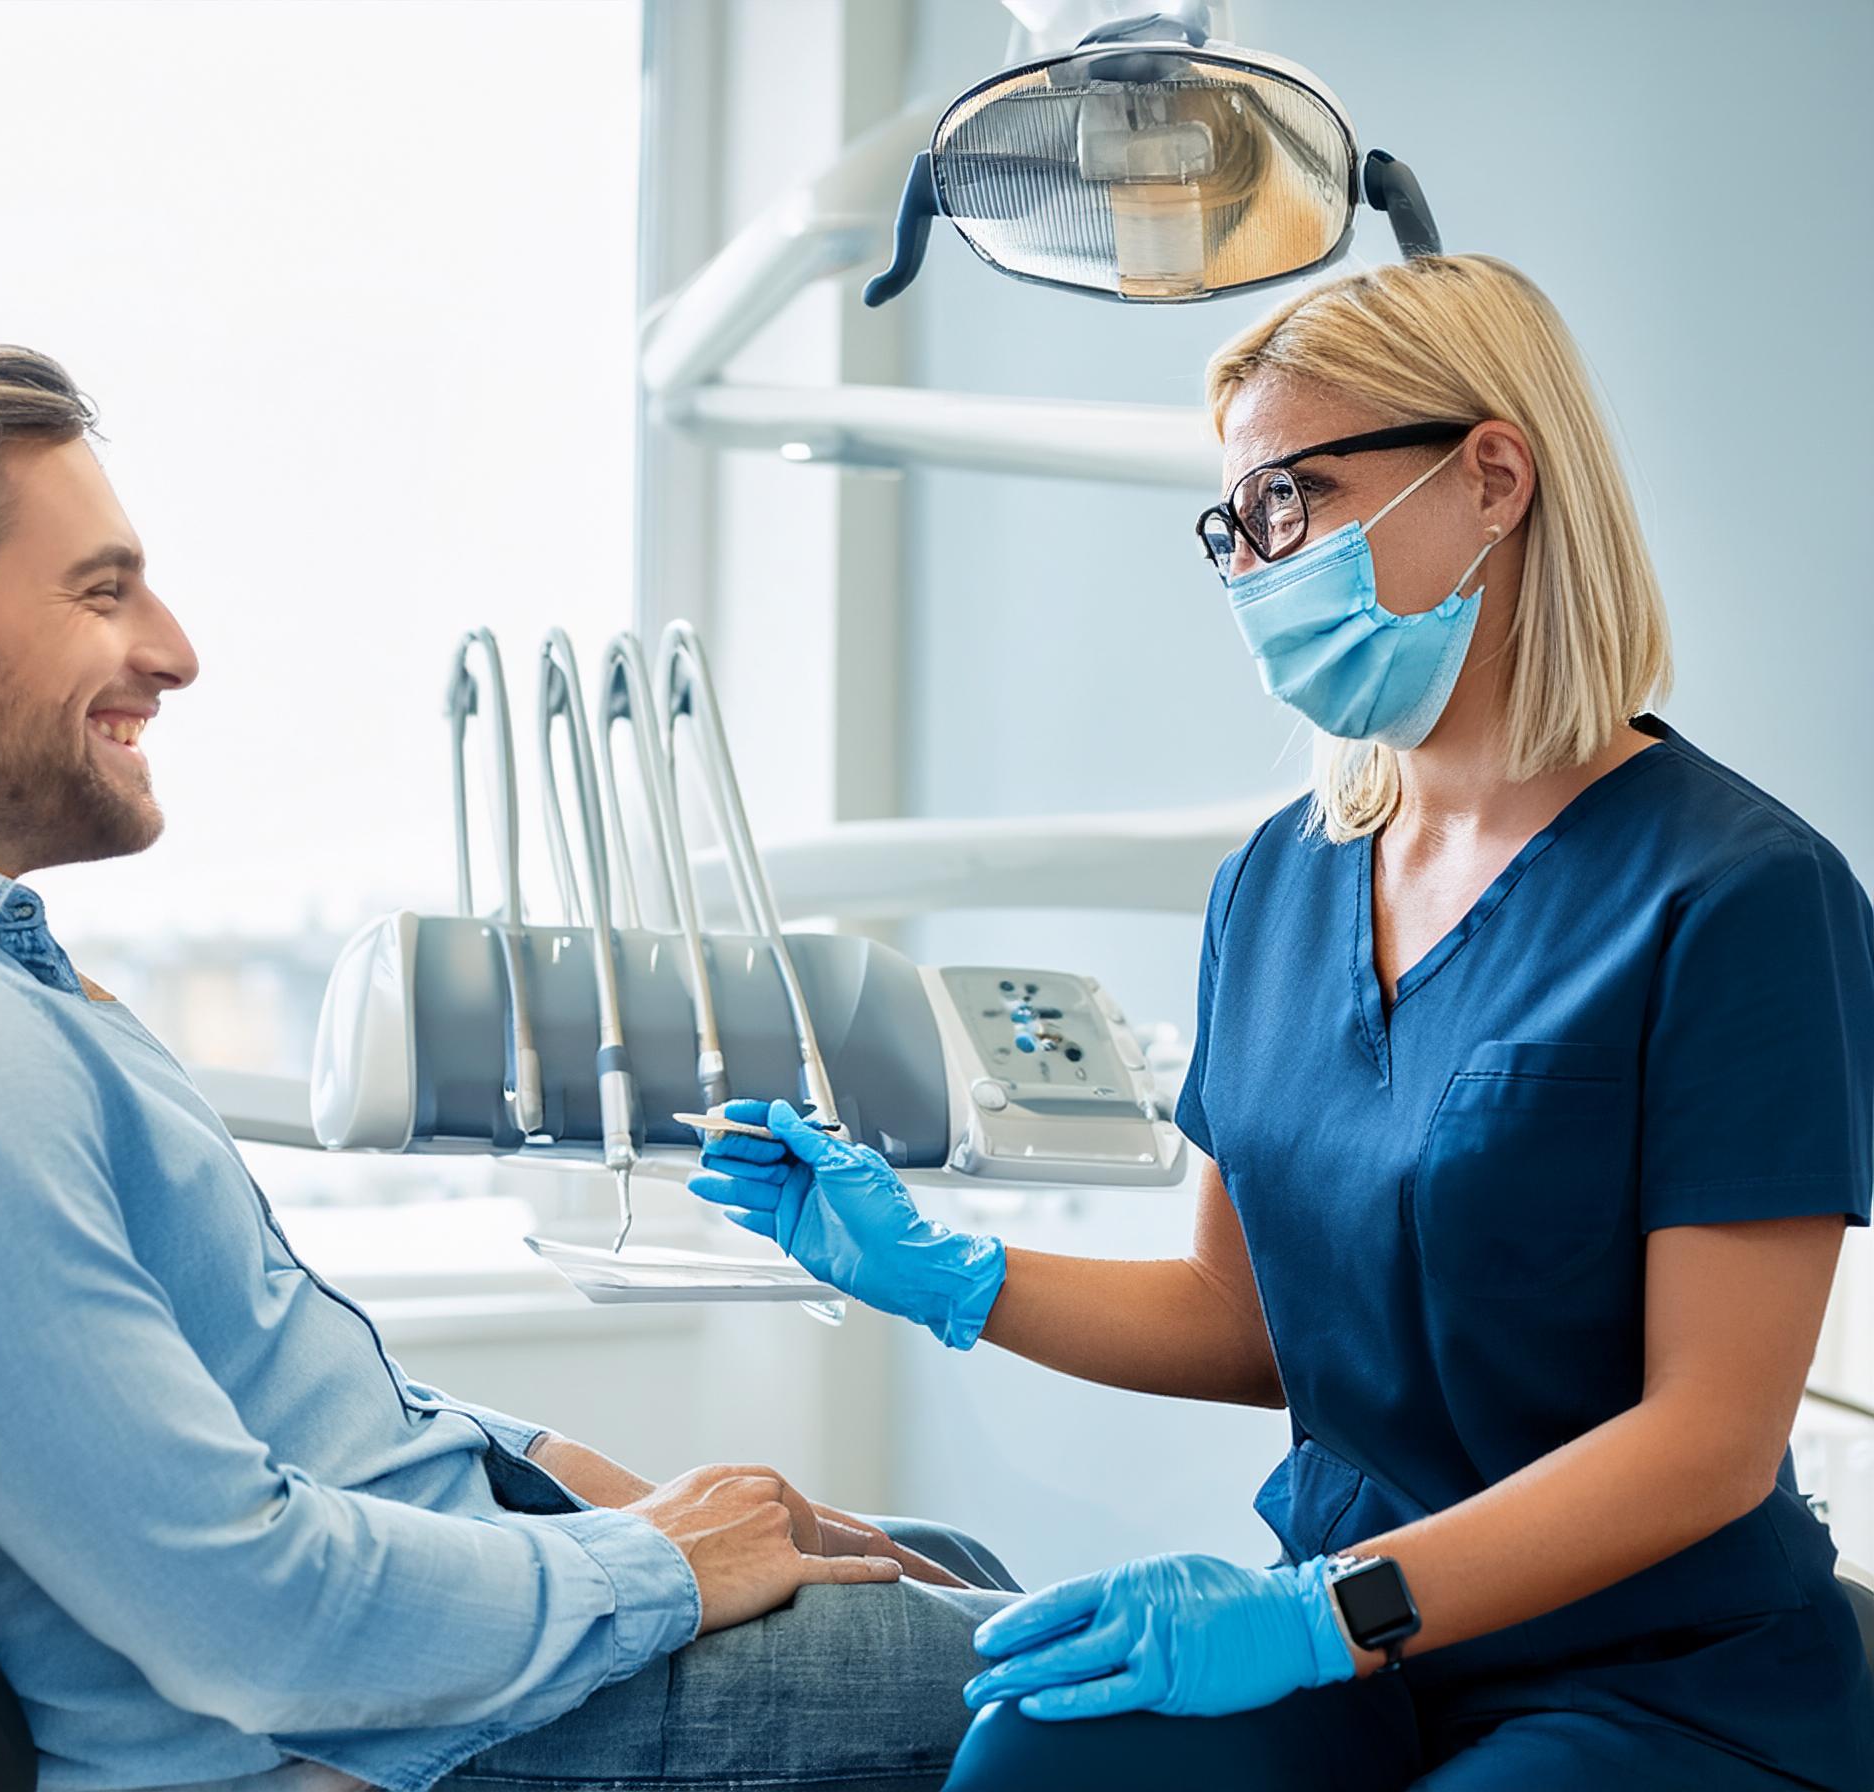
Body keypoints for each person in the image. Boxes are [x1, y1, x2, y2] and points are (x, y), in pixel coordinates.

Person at [0, 344, 1025, 1792]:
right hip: (363, 1739)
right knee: (1106, 1704)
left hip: (395, 1664)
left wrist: (570, 1486)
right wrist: (653, 1564)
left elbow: (267, 1409)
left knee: (961, 1570)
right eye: (100, 592)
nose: (173, 651)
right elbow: (251, 1618)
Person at [689, 254, 1874, 1791]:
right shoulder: (1278, 883)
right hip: (1357, 1651)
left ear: (1493, 477)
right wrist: (946, 1275)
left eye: (1289, 501)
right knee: (1034, 1761)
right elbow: (1236, 1318)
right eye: (1229, 528)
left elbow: (1708, 1443)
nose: (1253, 567)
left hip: (1652, 1677)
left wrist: (1332, 1615)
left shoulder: (1740, 894)